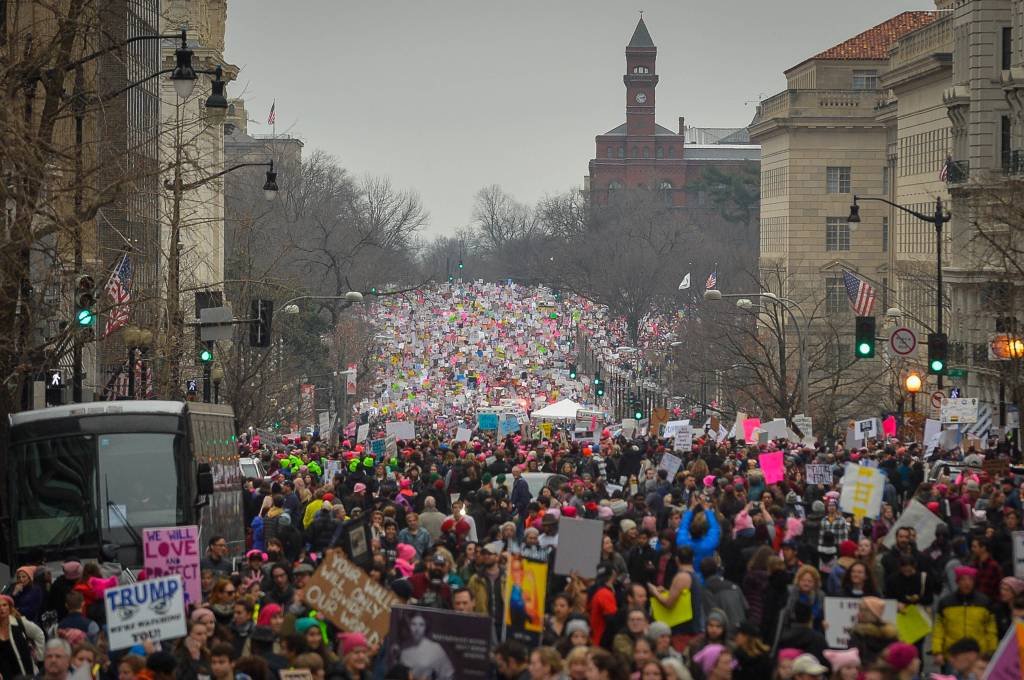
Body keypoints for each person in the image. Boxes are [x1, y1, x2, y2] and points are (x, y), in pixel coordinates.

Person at [932, 566, 998, 663]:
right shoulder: (946, 603)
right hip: (952, 654)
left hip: (978, 654)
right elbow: (939, 629)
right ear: (957, 581)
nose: (967, 583)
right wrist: (937, 652)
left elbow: (991, 630)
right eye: (963, 579)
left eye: (970, 579)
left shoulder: (984, 602)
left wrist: (992, 651)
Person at [395, 610, 454, 679]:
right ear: (409, 626)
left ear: (426, 627)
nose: (417, 629)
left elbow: (449, 676)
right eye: (413, 624)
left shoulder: (435, 649)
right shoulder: (403, 651)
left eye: (421, 624)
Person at [847, 597, 898, 666]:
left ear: (874, 613)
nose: (860, 613)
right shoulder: (858, 633)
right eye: (860, 610)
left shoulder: (890, 634)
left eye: (864, 610)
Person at [0, 593, 37, 680]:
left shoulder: (18, 622)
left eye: (4, 605)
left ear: (9, 607)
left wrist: (38, 656)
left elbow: (39, 634)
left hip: (23, 671)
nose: (1, 609)